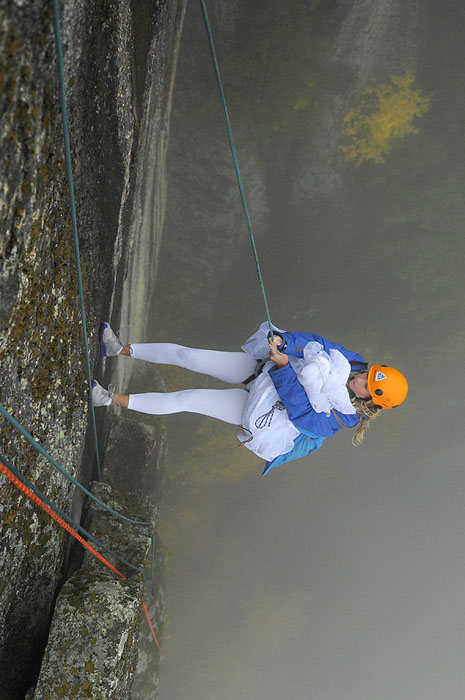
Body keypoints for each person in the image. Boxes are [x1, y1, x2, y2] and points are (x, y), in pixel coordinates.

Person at [92, 322, 408, 475]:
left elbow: (299, 411)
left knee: (186, 399)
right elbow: (317, 343)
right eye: (368, 374)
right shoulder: (354, 364)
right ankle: (118, 348)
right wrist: (285, 343)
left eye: (367, 386)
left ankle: (108, 399)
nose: (360, 378)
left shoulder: (340, 420)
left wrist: (284, 367)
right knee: (189, 355)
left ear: (373, 403)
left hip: (264, 407)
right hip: (264, 370)